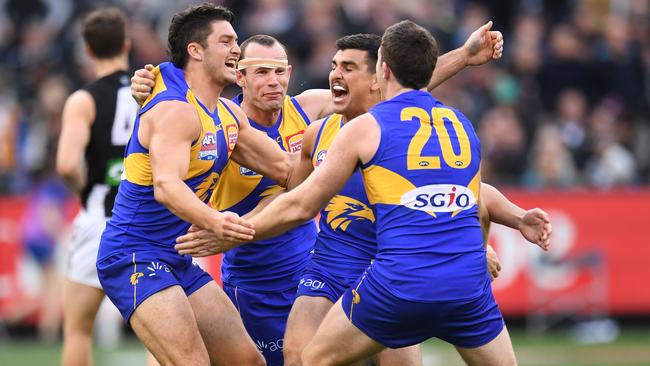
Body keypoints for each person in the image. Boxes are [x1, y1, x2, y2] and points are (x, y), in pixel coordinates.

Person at [131, 21, 506, 366]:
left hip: (310, 265)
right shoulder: (222, 121)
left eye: (280, 71)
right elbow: (176, 127)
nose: (273, 81)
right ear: (239, 77)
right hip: (252, 278)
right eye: (261, 72)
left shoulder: (310, 109)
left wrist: (464, 57)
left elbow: (387, 91)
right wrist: (152, 90)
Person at [215, 20, 550, 365]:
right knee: (297, 357)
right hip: (320, 268)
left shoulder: (365, 123)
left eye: (348, 68)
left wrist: (502, 225)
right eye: (333, 67)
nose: (336, 76)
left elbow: (465, 188)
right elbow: (294, 195)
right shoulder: (310, 130)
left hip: (382, 268)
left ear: (379, 76)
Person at [96, 4, 299, 365]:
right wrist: (217, 221)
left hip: (176, 258)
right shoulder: (174, 109)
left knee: (247, 360)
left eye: (236, 41)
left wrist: (343, 154)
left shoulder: (228, 114)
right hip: (134, 255)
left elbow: (287, 169)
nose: (237, 49)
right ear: (196, 50)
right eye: (226, 41)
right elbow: (166, 186)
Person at [56, 8, 137, 366]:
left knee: (78, 328)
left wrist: (83, 188)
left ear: (87, 50)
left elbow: (65, 164)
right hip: (148, 220)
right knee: (163, 333)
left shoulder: (83, 100)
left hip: (100, 218)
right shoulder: (152, 92)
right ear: (126, 44)